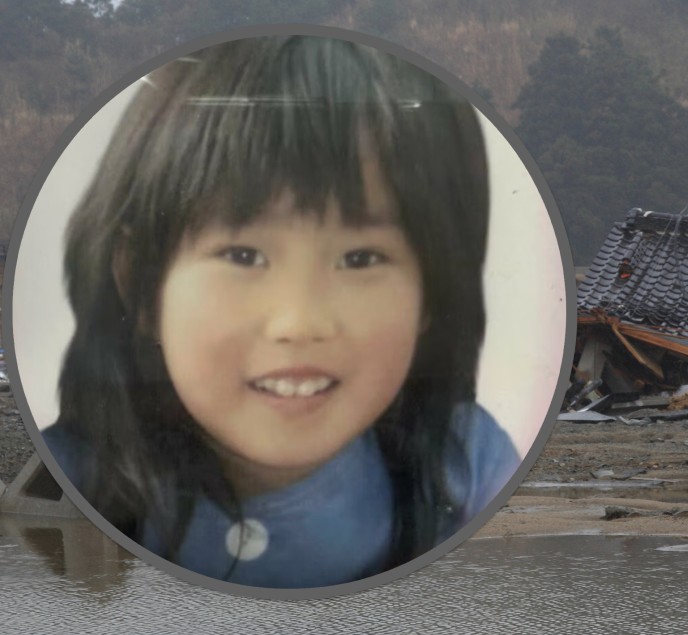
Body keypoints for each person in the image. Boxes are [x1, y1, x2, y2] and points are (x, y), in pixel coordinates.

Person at [41, 35, 520, 589]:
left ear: (432, 294)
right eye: (243, 255)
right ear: (141, 283)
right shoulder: (59, 480)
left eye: (360, 258)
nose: (299, 323)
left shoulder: (469, 468)